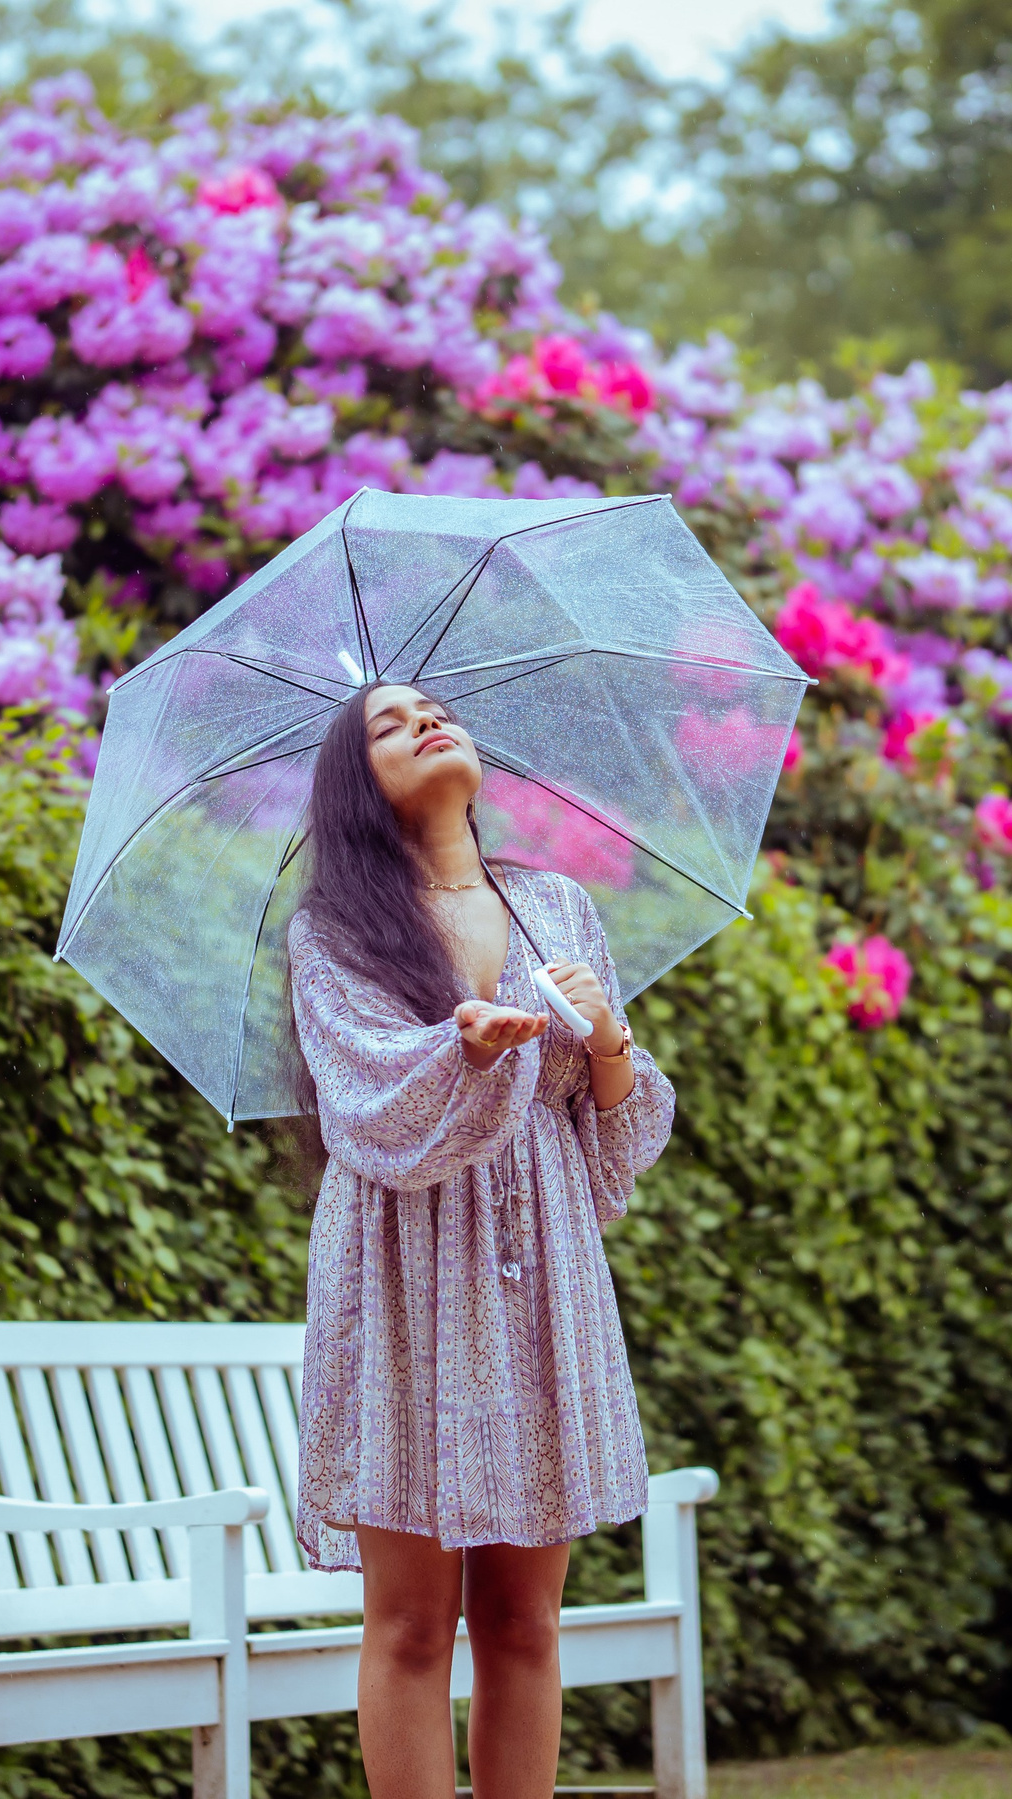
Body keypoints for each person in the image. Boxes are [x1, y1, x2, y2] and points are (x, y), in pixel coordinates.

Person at [286, 681, 676, 1799]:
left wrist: (606, 1037)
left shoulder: (555, 904)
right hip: (403, 1271)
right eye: (389, 725)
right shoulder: (339, 928)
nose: (426, 722)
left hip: (541, 1263)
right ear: (356, 781)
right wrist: (458, 1049)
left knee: (523, 1617)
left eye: (433, 706)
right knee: (411, 1620)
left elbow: (615, 1134)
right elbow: (363, 1101)